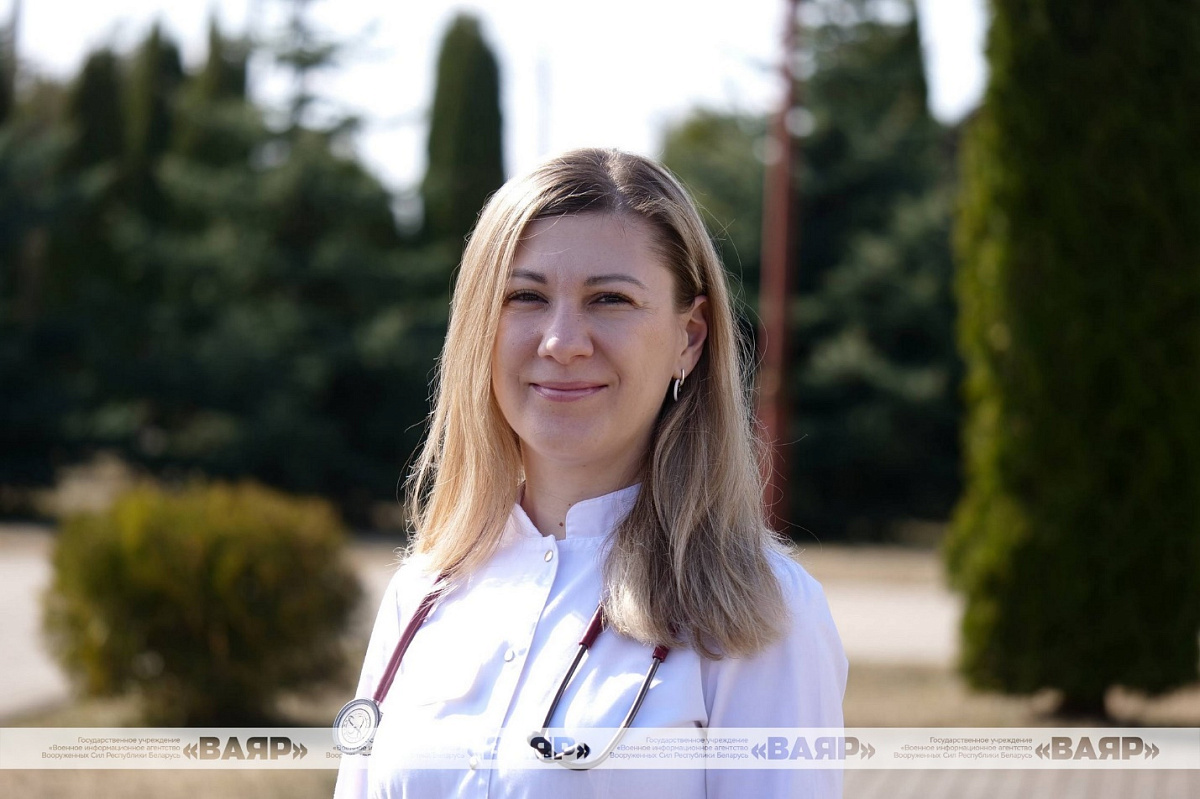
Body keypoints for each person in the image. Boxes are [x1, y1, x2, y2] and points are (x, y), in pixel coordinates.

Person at [333, 148, 847, 798]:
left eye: (610, 299)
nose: (563, 341)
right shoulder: (422, 591)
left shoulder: (763, 612)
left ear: (689, 337)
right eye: (525, 296)